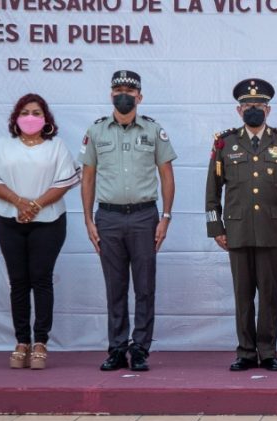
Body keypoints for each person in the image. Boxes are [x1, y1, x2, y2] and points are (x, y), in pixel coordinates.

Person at [205, 78, 277, 372]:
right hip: (236, 230)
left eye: (259, 105)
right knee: (242, 295)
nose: (253, 110)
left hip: (273, 231)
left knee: (269, 294)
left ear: (268, 110)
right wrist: (217, 229)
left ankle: (269, 350)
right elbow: (212, 191)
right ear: (239, 111)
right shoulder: (224, 142)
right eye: (248, 106)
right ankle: (246, 352)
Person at [80, 70, 177, 372]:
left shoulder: (153, 130)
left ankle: (140, 350)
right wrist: (88, 221)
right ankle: (116, 348)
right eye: (118, 89)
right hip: (107, 217)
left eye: (129, 90)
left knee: (145, 287)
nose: (124, 94)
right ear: (111, 94)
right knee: (115, 286)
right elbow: (88, 179)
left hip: (144, 217)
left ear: (140, 96)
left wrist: (166, 217)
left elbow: (167, 176)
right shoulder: (96, 131)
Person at [0, 93, 80, 370]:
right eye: (25, 112)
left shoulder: (56, 147)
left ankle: (41, 342)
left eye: (36, 112)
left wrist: (35, 205)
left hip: (49, 222)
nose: (30, 117)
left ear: (46, 118)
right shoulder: (3, 146)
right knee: (19, 282)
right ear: (16, 117)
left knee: (41, 279)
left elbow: (66, 181)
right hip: (10, 222)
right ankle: (21, 341)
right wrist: (19, 202)